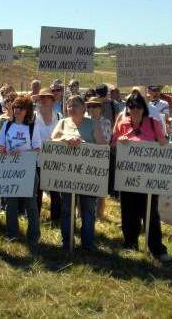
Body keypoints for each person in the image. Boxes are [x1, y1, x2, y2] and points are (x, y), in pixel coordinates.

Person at [112, 91, 171, 262]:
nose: (135, 109)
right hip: (127, 175)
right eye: (131, 106)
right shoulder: (122, 124)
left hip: (148, 177)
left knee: (150, 212)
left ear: (143, 108)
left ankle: (156, 248)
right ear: (127, 108)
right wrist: (119, 142)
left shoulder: (153, 123)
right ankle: (130, 243)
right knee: (128, 211)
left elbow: (164, 144)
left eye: (138, 106)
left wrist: (163, 143)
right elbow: (113, 144)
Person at [52, 96, 107, 250]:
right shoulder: (62, 122)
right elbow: (52, 139)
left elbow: (103, 146)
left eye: (76, 105)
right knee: (67, 208)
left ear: (84, 108)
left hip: (88, 175)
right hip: (68, 174)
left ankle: (87, 244)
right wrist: (65, 138)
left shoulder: (93, 124)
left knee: (88, 208)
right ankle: (67, 241)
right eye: (69, 105)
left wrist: (84, 144)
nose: (72, 108)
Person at [0, 95, 42, 245]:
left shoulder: (32, 127)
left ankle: (34, 236)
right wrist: (1, 150)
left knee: (31, 204)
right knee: (11, 203)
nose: (17, 110)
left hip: (28, 170)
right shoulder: (7, 125)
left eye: (21, 107)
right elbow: (0, 146)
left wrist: (21, 153)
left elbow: (37, 149)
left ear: (27, 110)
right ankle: (12, 234)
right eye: (15, 107)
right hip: (10, 170)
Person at [33, 88, 63, 220]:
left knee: (55, 192)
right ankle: (36, 217)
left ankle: (56, 219)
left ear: (52, 100)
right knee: (37, 191)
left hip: (54, 159)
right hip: (37, 159)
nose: (45, 100)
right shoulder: (32, 117)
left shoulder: (59, 116)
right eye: (42, 97)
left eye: (48, 97)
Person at [85, 96, 112, 219]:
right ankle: (82, 213)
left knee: (100, 189)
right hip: (85, 158)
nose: (91, 108)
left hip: (100, 159)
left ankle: (99, 215)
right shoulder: (83, 120)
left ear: (100, 108)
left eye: (94, 105)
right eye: (89, 106)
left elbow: (105, 141)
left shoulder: (106, 122)